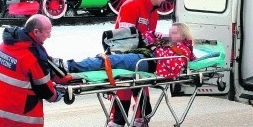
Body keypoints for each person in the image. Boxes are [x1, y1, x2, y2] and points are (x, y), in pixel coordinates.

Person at [105, 0, 170, 127]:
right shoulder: (131, 6)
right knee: (121, 109)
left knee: (144, 106)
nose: (164, 1)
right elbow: (124, 40)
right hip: (125, 64)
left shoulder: (153, 12)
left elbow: (147, 38)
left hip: (140, 65)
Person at [56, 22, 195, 78]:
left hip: (147, 62)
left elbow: (170, 65)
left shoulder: (183, 50)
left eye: (174, 33)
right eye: (170, 32)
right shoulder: (171, 45)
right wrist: (155, 36)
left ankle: (70, 66)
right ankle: (72, 65)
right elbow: (145, 37)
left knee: (111, 60)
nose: (170, 35)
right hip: (144, 58)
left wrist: (155, 47)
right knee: (109, 59)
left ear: (183, 35)